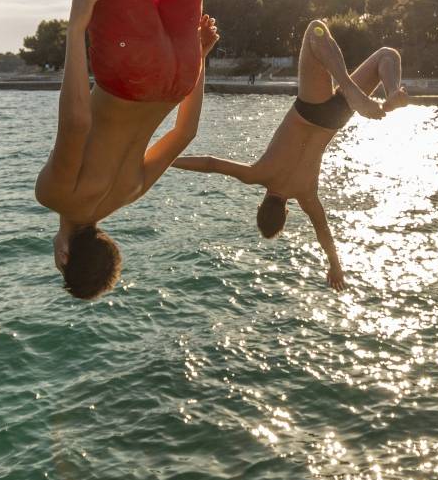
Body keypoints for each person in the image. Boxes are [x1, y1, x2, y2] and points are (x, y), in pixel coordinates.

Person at [35, 0, 318, 300]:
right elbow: (76, 123)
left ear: (111, 247)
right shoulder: (56, 196)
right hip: (129, 70)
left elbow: (186, 132)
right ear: (63, 257)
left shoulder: (128, 192)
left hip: (178, 74)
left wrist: (199, 59)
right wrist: (76, 30)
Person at [172, 20, 408, 290]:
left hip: (334, 119)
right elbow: (211, 164)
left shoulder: (306, 196)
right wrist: (167, 161)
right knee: (315, 30)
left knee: (388, 54)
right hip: (310, 109)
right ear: (260, 206)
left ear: (285, 212)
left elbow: (323, 231)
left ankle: (392, 95)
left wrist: (335, 266)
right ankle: (355, 86)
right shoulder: (255, 174)